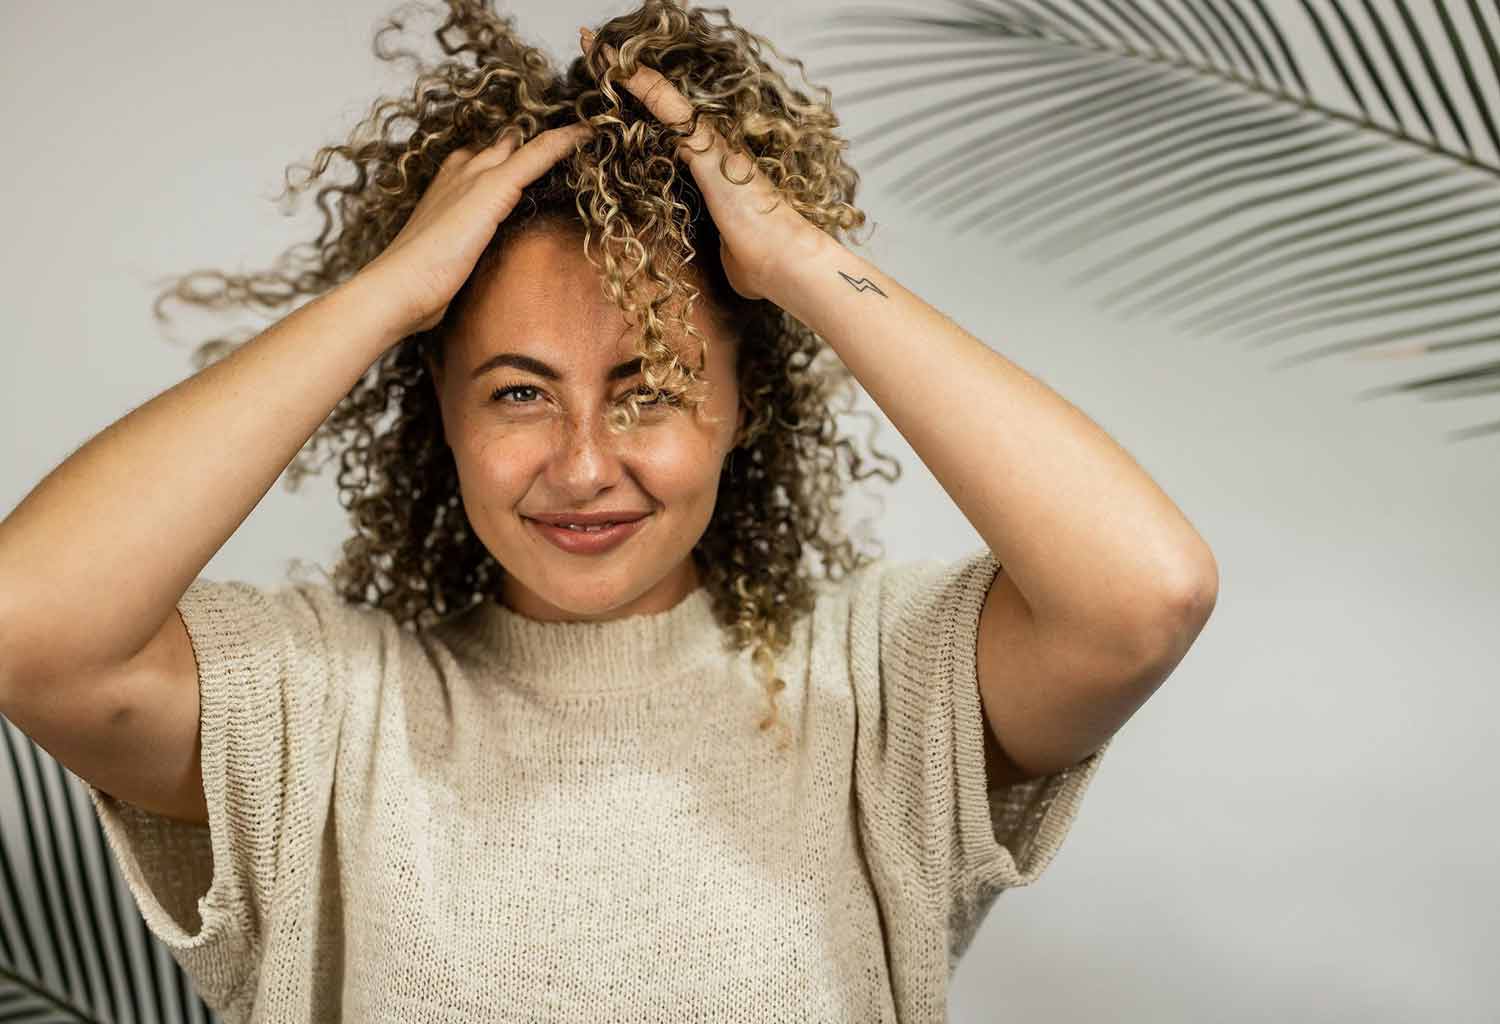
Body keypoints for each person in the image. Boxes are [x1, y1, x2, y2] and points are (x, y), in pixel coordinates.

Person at [0, 1, 1216, 1021]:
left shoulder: (876, 687)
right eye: (519, 391)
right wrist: (389, 295)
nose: (584, 467)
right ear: (442, 412)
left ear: (744, 404)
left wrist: (798, 260)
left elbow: (1145, 595)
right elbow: (29, 623)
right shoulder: (319, 709)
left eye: (654, 389)